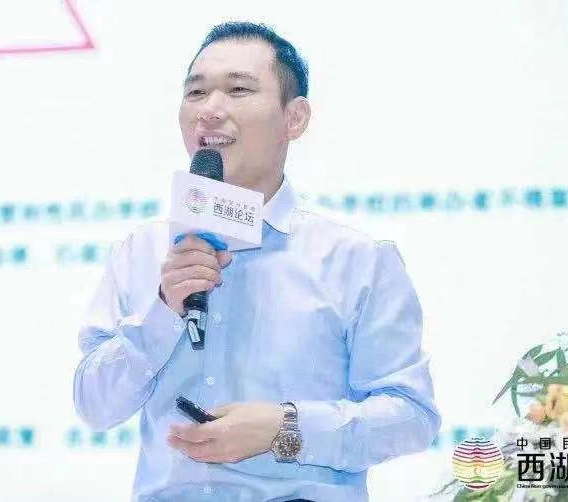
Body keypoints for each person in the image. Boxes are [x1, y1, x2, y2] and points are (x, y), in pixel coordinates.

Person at [72, 21, 441, 502]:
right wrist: (162, 311)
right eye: (196, 92)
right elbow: (94, 405)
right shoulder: (142, 252)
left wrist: (284, 428)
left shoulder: (356, 260)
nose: (210, 110)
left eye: (238, 90)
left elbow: (411, 417)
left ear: (295, 118)